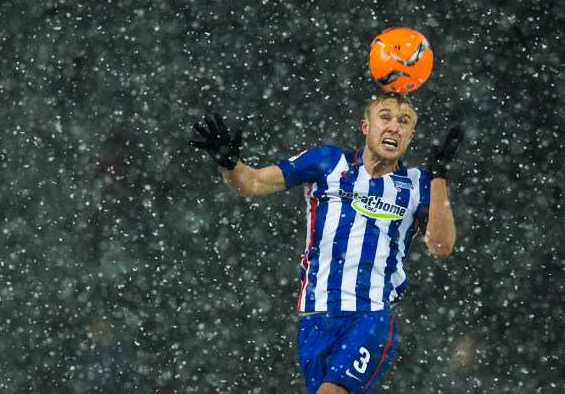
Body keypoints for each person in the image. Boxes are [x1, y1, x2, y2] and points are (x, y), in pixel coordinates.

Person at [190, 91, 463, 394]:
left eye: (404, 121)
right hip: (314, 321)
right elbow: (251, 183)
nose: (394, 127)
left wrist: (439, 177)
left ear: (410, 135)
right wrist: (230, 163)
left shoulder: (417, 183)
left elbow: (441, 246)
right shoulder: (328, 162)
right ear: (365, 126)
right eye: (385, 117)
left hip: (369, 318)